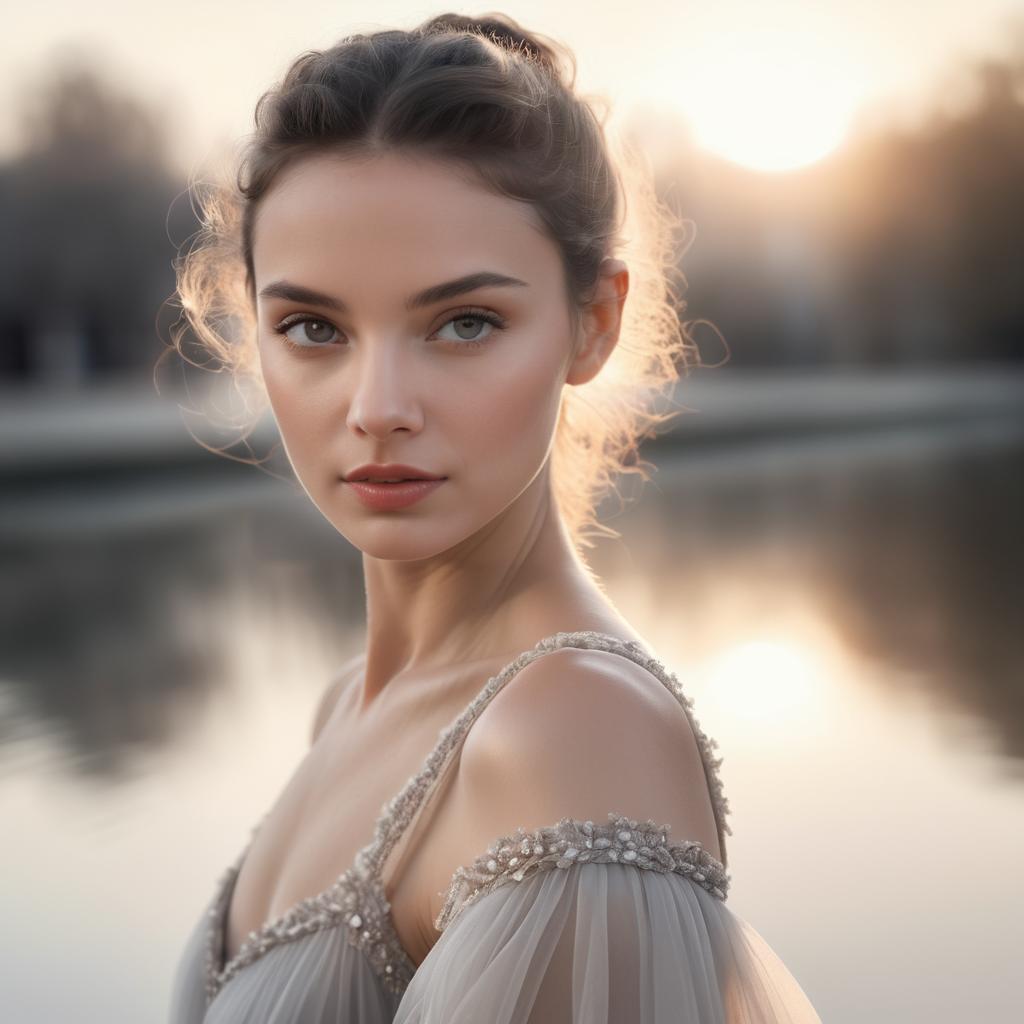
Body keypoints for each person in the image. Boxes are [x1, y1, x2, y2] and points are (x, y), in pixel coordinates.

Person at [167, 11, 822, 1022]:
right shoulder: (348, 701)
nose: (377, 405)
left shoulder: (570, 730)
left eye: (464, 322)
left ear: (591, 323)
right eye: (312, 327)